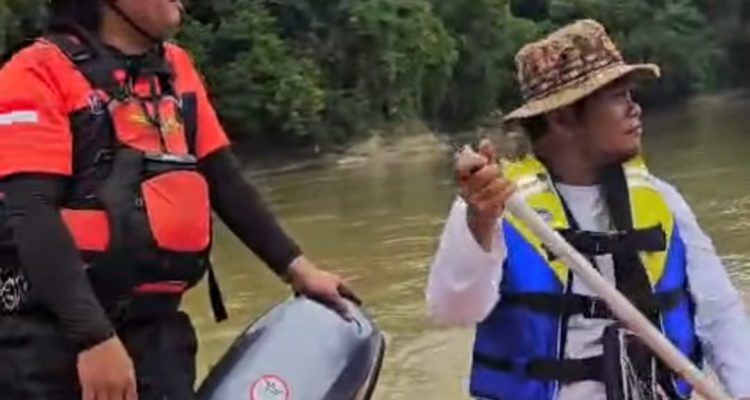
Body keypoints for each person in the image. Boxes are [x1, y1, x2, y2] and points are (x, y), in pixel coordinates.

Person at [0, 0, 358, 399]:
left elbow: (224, 180)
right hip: (54, 341)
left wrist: (300, 270)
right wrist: (92, 337)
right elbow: (31, 213)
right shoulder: (34, 72)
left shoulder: (175, 68)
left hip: (156, 336)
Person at [426, 19, 750, 400]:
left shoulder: (663, 200)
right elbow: (453, 310)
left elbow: (721, 316)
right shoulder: (494, 206)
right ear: (562, 118)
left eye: (631, 94)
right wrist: (479, 223)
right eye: (617, 96)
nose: (635, 109)